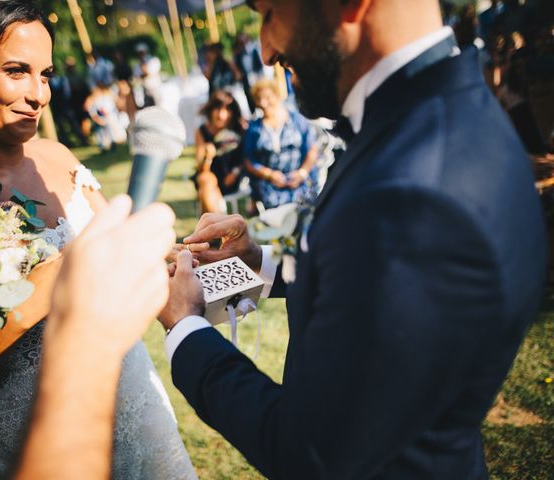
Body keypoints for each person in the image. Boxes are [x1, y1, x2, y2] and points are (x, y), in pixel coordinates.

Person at [161, 0, 546, 478]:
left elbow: (311, 454)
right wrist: (257, 264)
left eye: (269, 12)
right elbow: (368, 282)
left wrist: (185, 327)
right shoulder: (433, 112)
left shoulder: (413, 193)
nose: (265, 50)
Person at [0, 1, 196, 479]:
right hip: (38, 432)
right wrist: (46, 286)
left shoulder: (60, 156)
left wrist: (184, 252)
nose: (38, 93)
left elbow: (119, 258)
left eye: (44, 74)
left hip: (135, 398)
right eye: (16, 71)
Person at [0, 196, 177, 480]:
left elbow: (121, 249)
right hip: (32, 410)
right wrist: (41, 296)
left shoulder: (61, 159)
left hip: (130, 384)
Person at [244, 78, 318, 209]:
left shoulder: (297, 120)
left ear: (277, 96)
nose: (263, 103)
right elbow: (249, 161)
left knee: (306, 208)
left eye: (267, 97)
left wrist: (302, 173)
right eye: (258, 99)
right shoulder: (254, 128)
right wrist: (270, 175)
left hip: (300, 180)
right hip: (271, 185)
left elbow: (312, 150)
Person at [194, 90, 246, 214]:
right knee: (206, 180)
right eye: (218, 109)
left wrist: (235, 172)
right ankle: (218, 226)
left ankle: (214, 227)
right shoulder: (202, 131)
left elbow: (247, 157)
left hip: (232, 177)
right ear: (210, 110)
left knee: (205, 186)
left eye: (227, 110)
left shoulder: (239, 129)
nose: (222, 115)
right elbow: (202, 169)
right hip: (210, 176)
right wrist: (208, 157)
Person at [133, 43, 162, 107]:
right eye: (139, 53)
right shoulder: (137, 65)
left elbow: (148, 72)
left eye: (142, 52)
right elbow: (136, 77)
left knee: (159, 106)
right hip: (146, 90)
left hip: (155, 87)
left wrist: (143, 73)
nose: (140, 54)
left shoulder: (153, 60)